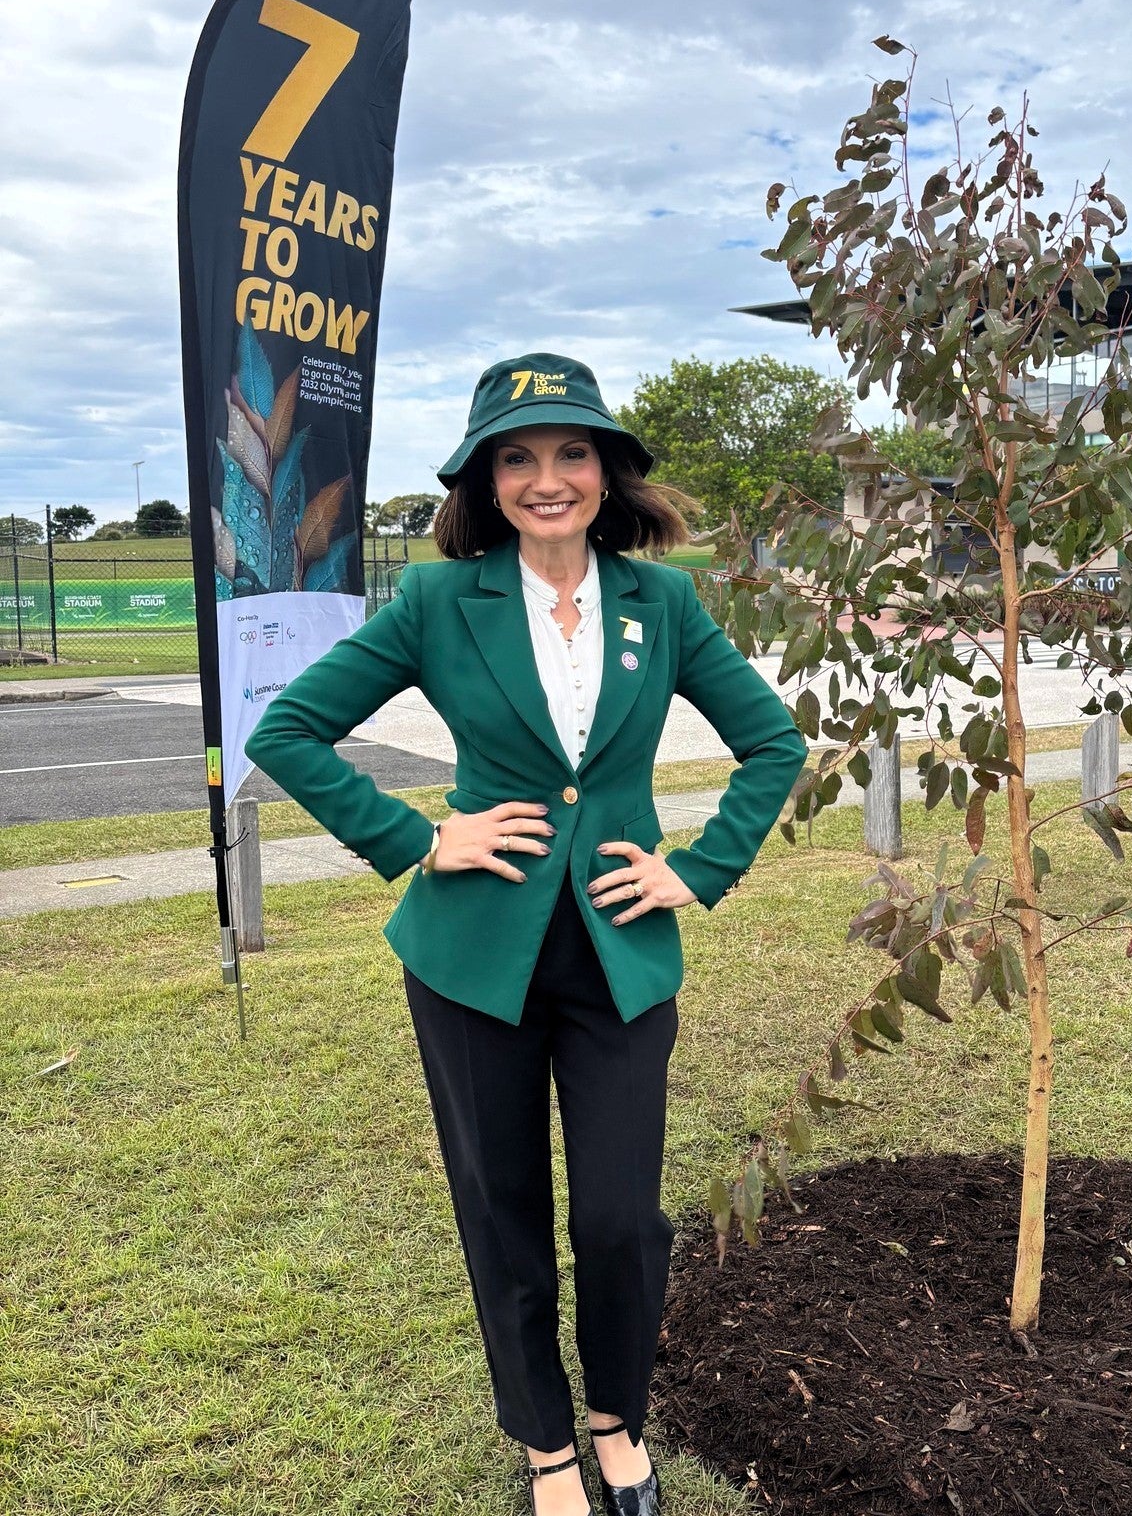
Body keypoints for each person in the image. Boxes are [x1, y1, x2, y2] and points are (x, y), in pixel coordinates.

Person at [245, 352, 808, 1516]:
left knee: (617, 1214)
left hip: (619, 952)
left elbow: (774, 744)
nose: (547, 477)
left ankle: (616, 1423)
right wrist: (415, 842)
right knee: (500, 1210)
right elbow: (292, 731)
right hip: (470, 960)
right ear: (485, 482)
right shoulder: (440, 602)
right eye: (519, 457)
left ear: (607, 473)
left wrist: (698, 870)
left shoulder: (668, 601)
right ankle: (547, 1446)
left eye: (569, 452)